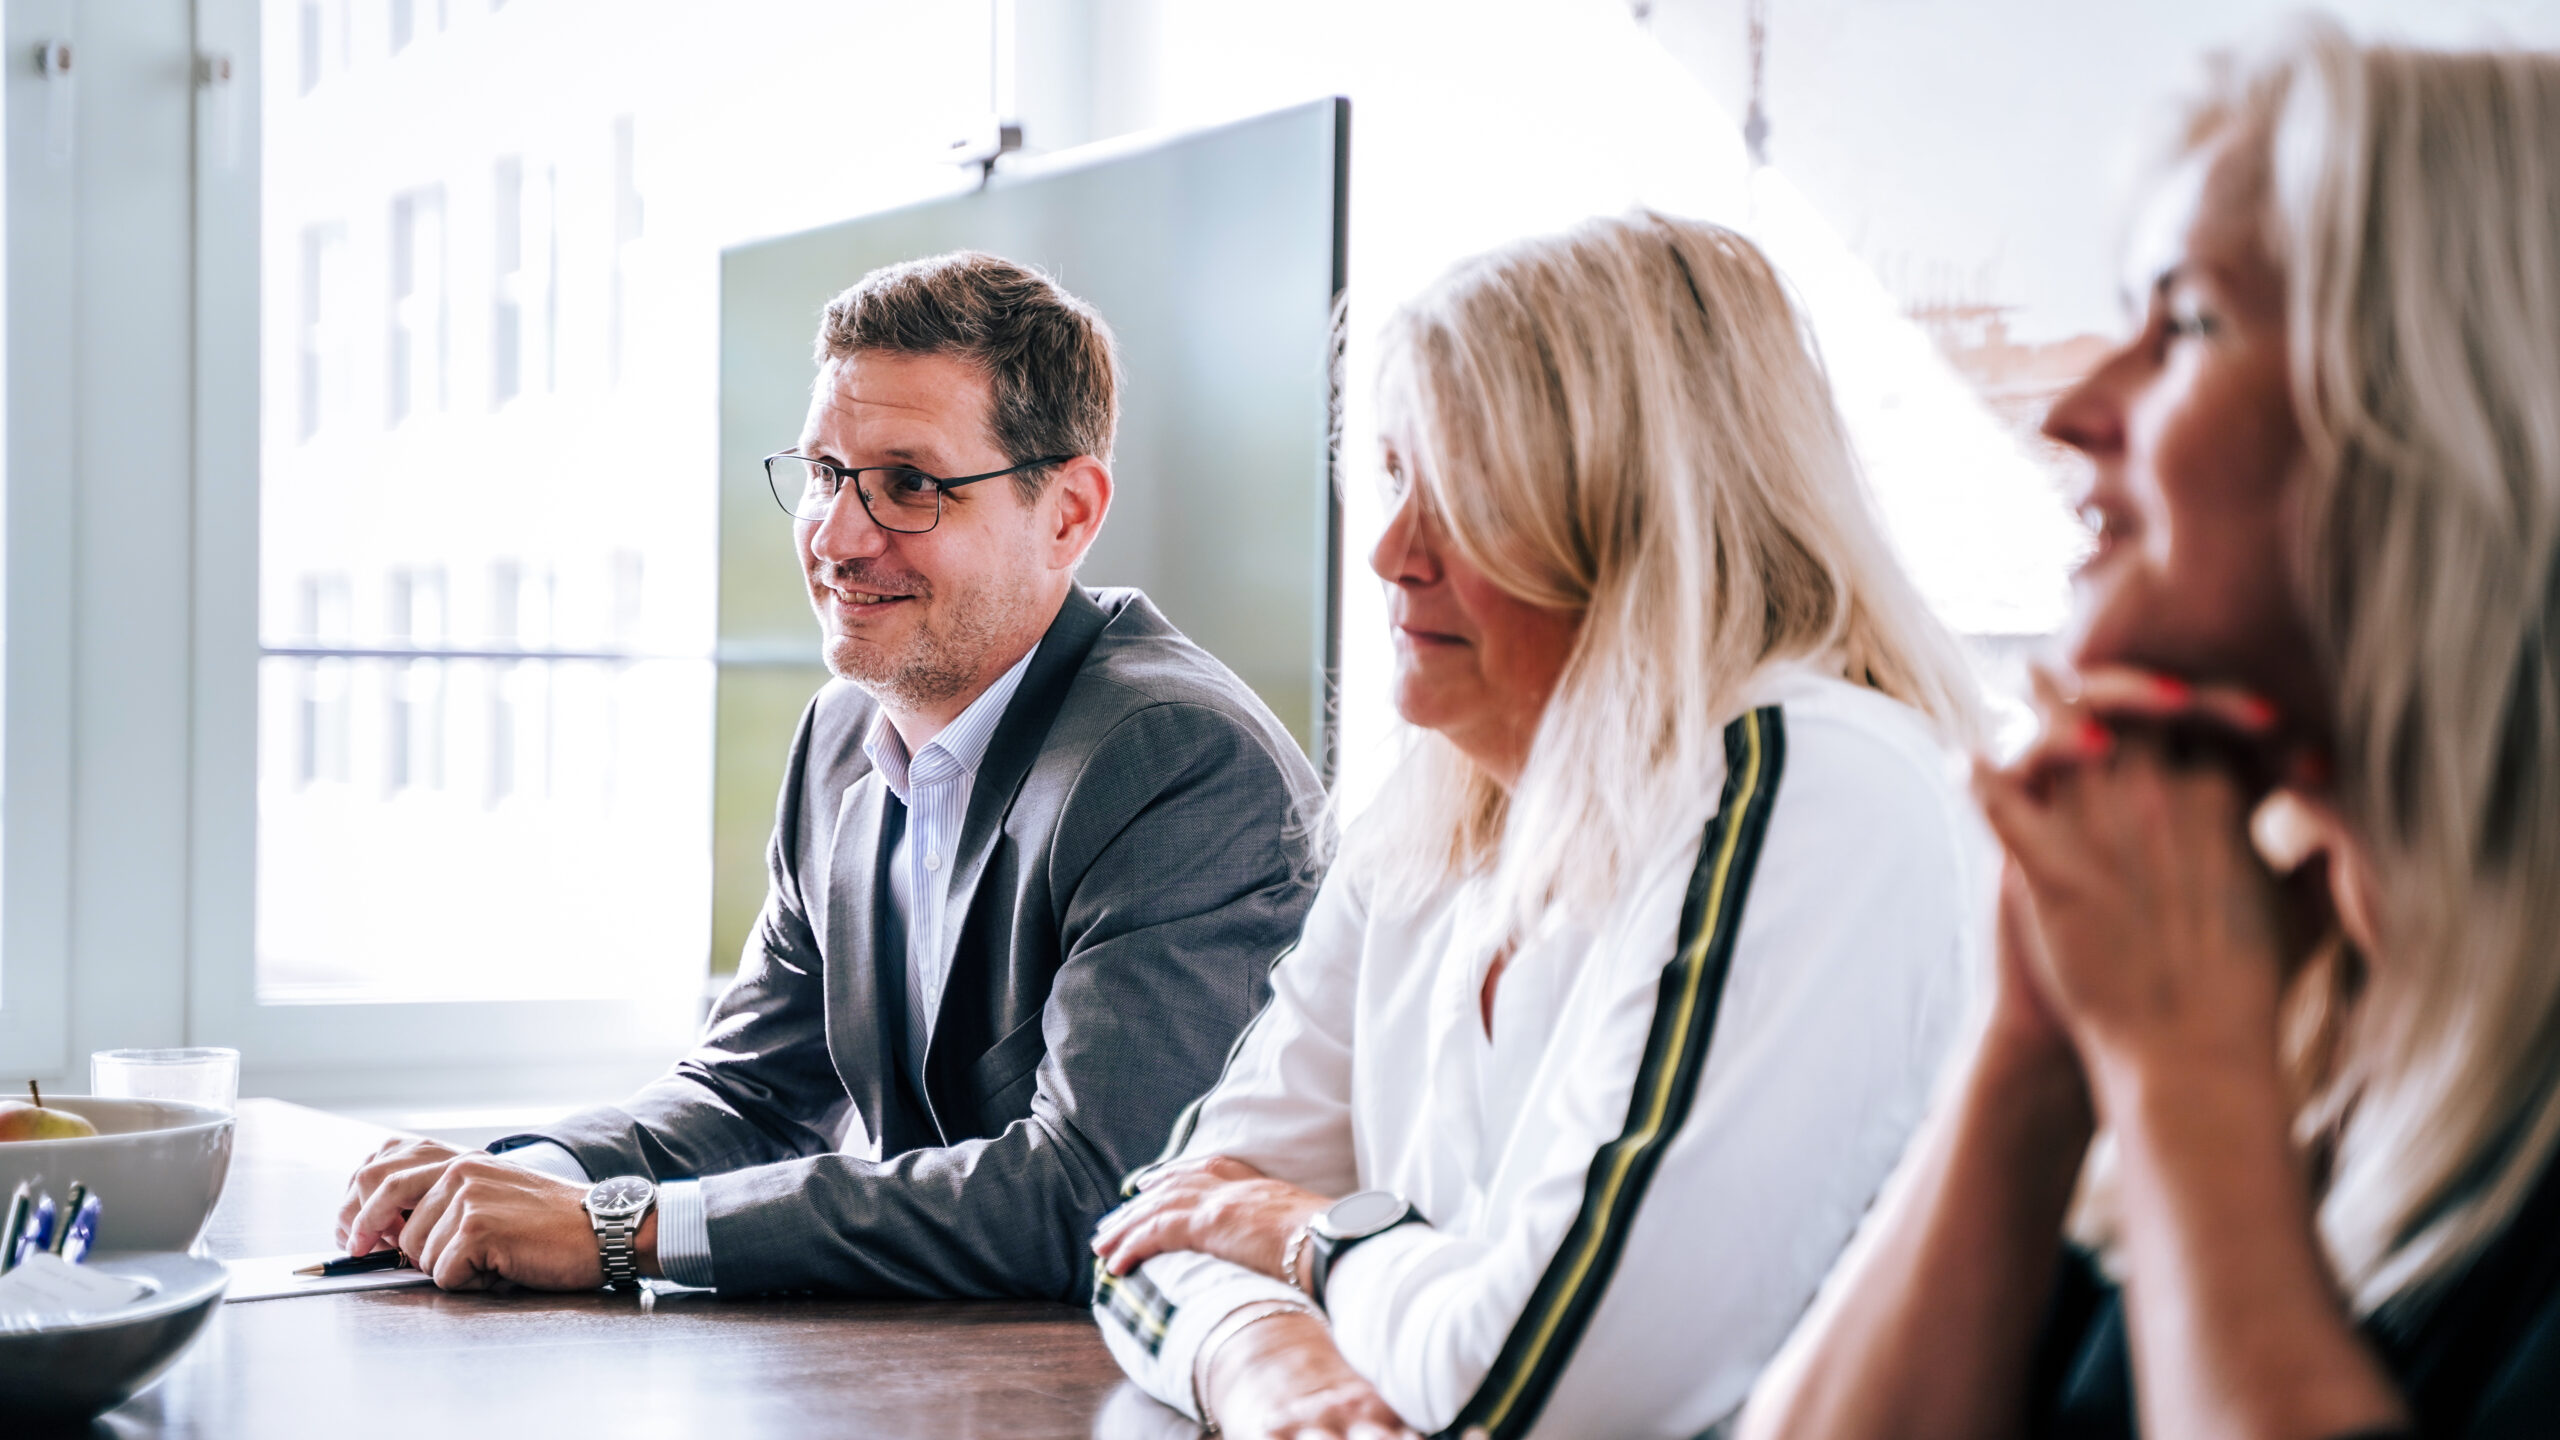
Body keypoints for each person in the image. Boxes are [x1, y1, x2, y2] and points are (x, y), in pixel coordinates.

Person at [1740, 25, 2560, 1440]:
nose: (2073, 409)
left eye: (2185, 323)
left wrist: (2185, 1083)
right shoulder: (2278, 999)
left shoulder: (2227, 1055)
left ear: (2453, 416)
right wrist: (2028, 1048)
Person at [1088, 213, 1987, 1440]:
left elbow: (1542, 1382)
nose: (1394, 553)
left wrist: (1310, 1235)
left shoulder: (1803, 780)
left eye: (1466, 493)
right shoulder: (1438, 804)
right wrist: (1265, 1364)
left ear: (1642, 515)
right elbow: (1152, 1228)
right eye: (1397, 475)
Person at [334, 251, 1326, 1299]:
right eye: (822, 474)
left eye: (909, 484)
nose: (838, 537)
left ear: (1070, 514)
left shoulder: (1176, 760)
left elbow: (1090, 1195)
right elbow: (753, 1095)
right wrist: (518, 1184)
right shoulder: (841, 736)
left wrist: (621, 1227)